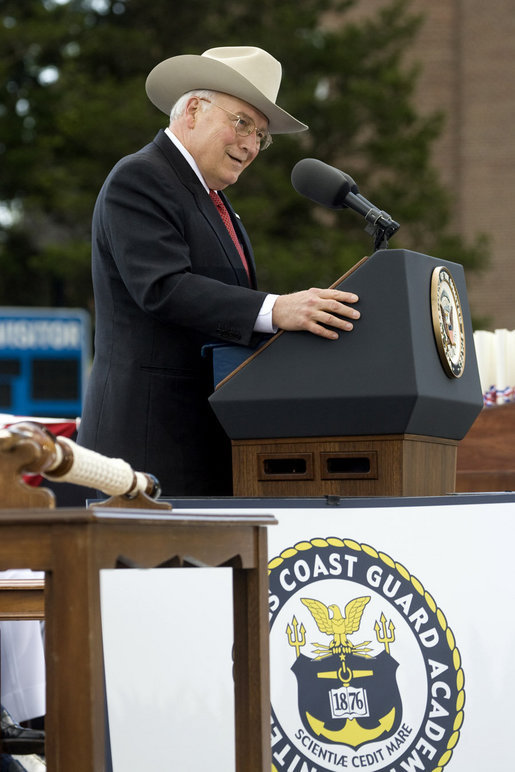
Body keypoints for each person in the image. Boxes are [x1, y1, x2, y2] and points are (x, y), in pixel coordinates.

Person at [77, 46, 360, 496]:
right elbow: (164, 288)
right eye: (243, 123)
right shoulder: (141, 177)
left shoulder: (213, 200)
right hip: (146, 447)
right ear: (193, 110)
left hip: (203, 444)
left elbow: (223, 312)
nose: (251, 146)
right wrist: (277, 309)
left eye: (262, 137)